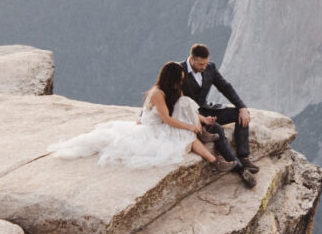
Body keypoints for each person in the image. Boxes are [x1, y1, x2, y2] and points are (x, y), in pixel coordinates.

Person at [45, 61, 235, 172]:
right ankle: (214, 161)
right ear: (172, 80)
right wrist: (189, 127)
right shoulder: (158, 93)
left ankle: (206, 141)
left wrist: (202, 120)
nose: (182, 83)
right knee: (187, 135)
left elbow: (185, 108)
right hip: (152, 129)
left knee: (185, 109)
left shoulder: (174, 91)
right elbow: (168, 119)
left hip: (161, 125)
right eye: (180, 80)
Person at [176, 42, 256, 185]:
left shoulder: (210, 67)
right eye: (201, 64)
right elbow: (165, 93)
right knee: (217, 129)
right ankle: (240, 169)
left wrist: (242, 107)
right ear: (192, 59)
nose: (204, 67)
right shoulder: (178, 70)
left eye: (206, 63)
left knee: (241, 114)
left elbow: (225, 87)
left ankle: (243, 156)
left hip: (207, 109)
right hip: (190, 115)